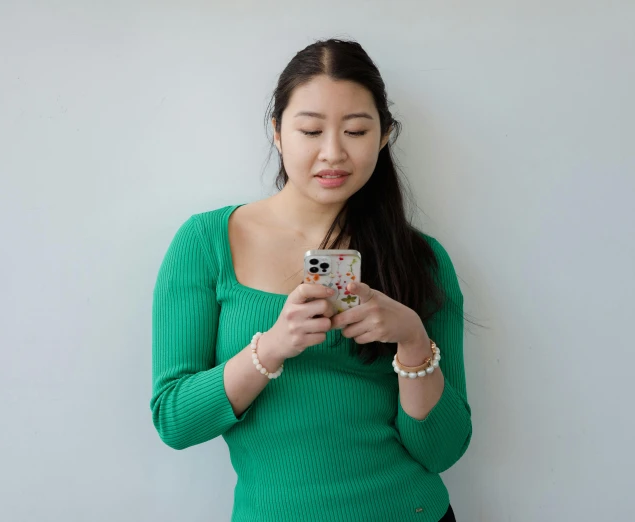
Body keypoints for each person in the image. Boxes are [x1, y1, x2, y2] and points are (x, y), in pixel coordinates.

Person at [150, 38, 471, 522]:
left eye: (356, 131)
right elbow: (174, 419)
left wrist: (411, 339)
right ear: (278, 132)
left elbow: (442, 451)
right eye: (311, 130)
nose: (333, 154)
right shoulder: (206, 242)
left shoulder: (420, 259)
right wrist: (272, 347)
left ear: (384, 137)